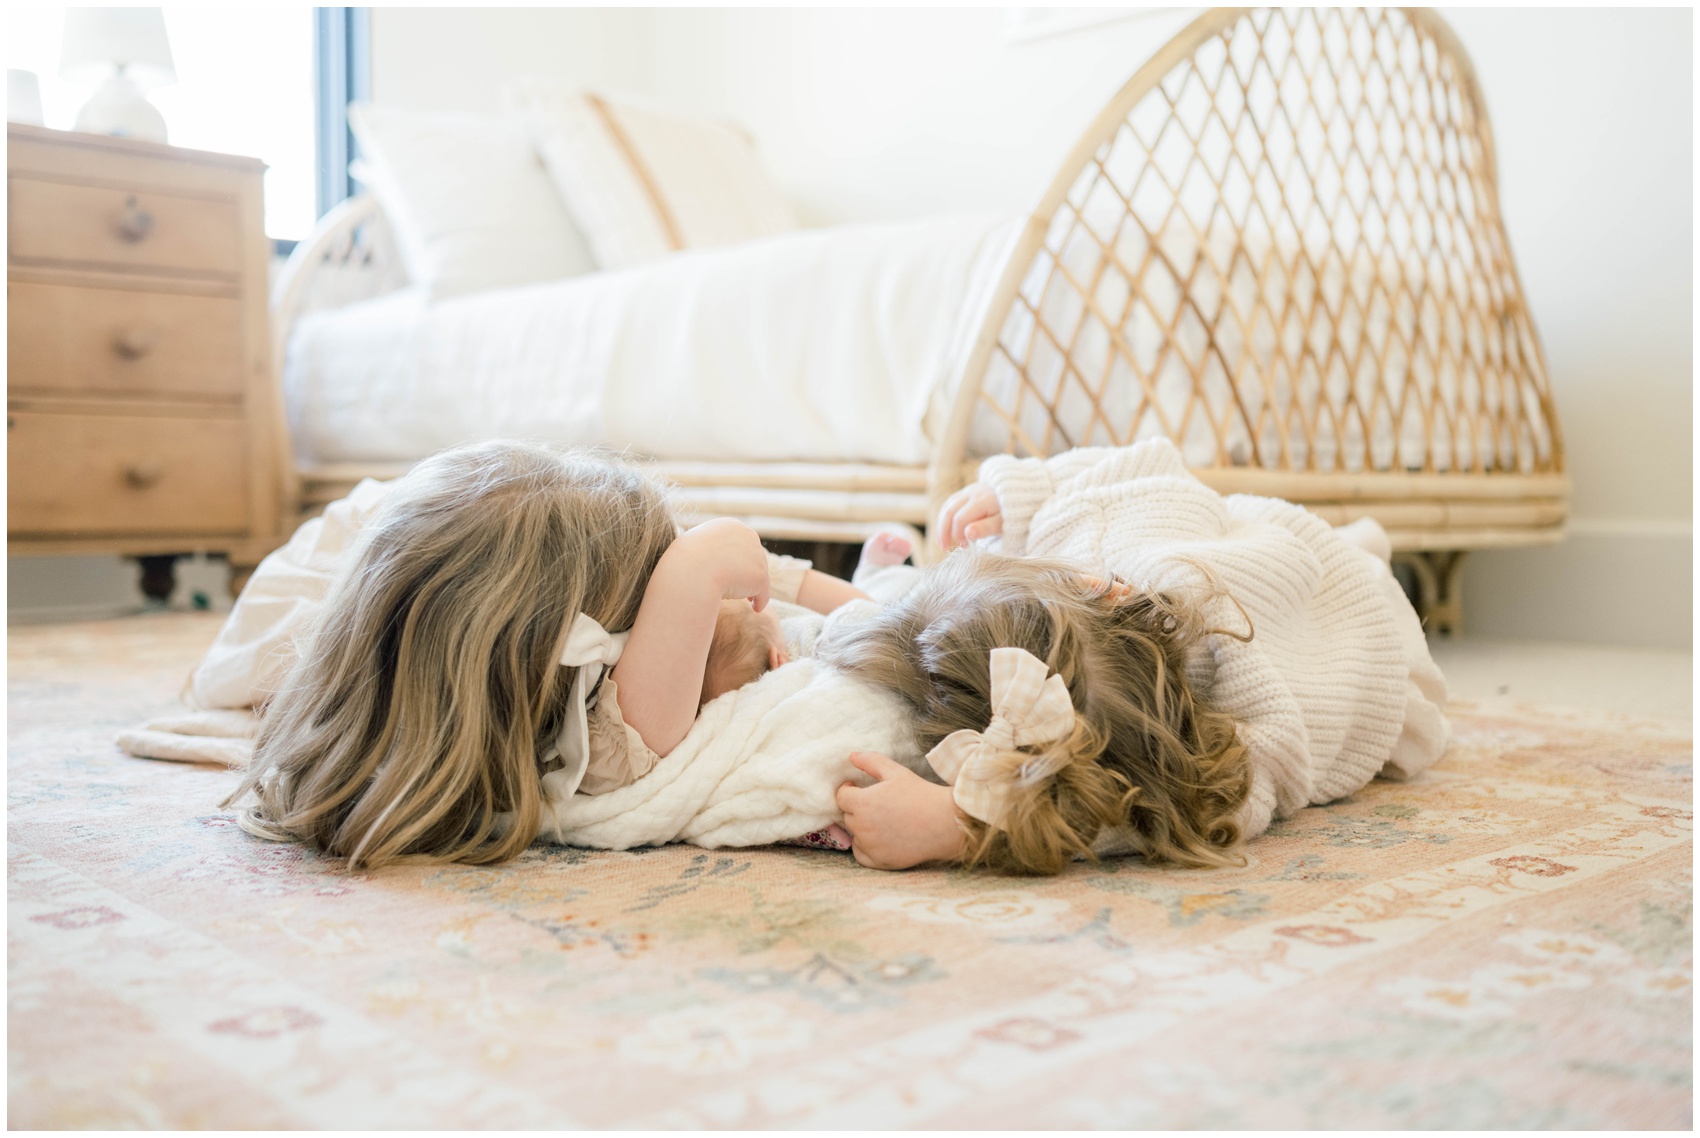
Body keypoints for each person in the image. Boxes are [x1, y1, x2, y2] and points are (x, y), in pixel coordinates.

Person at [218, 441, 856, 868]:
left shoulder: (507, 623)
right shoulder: (609, 724)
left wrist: (703, 563)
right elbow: (650, 720)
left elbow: (794, 587)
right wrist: (693, 569)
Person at [825, 438, 1450, 874]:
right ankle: (1364, 548)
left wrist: (964, 827)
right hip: (1319, 612)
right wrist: (1024, 491)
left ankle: (1366, 553)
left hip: (1339, 610)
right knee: (1337, 561)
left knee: (1352, 568)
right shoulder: (1098, 530)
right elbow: (1150, 459)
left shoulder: (1242, 745)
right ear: (1099, 586)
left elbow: (1163, 815)